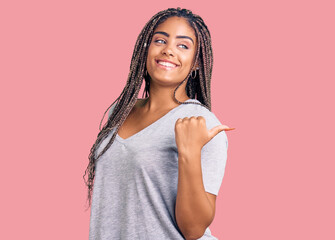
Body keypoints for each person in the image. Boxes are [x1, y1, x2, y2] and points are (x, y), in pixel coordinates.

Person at [83, 7, 234, 240]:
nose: (169, 50)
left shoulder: (201, 123)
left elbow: (193, 230)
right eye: (160, 40)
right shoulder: (120, 111)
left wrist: (190, 152)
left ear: (195, 63)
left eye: (183, 45)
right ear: (146, 49)